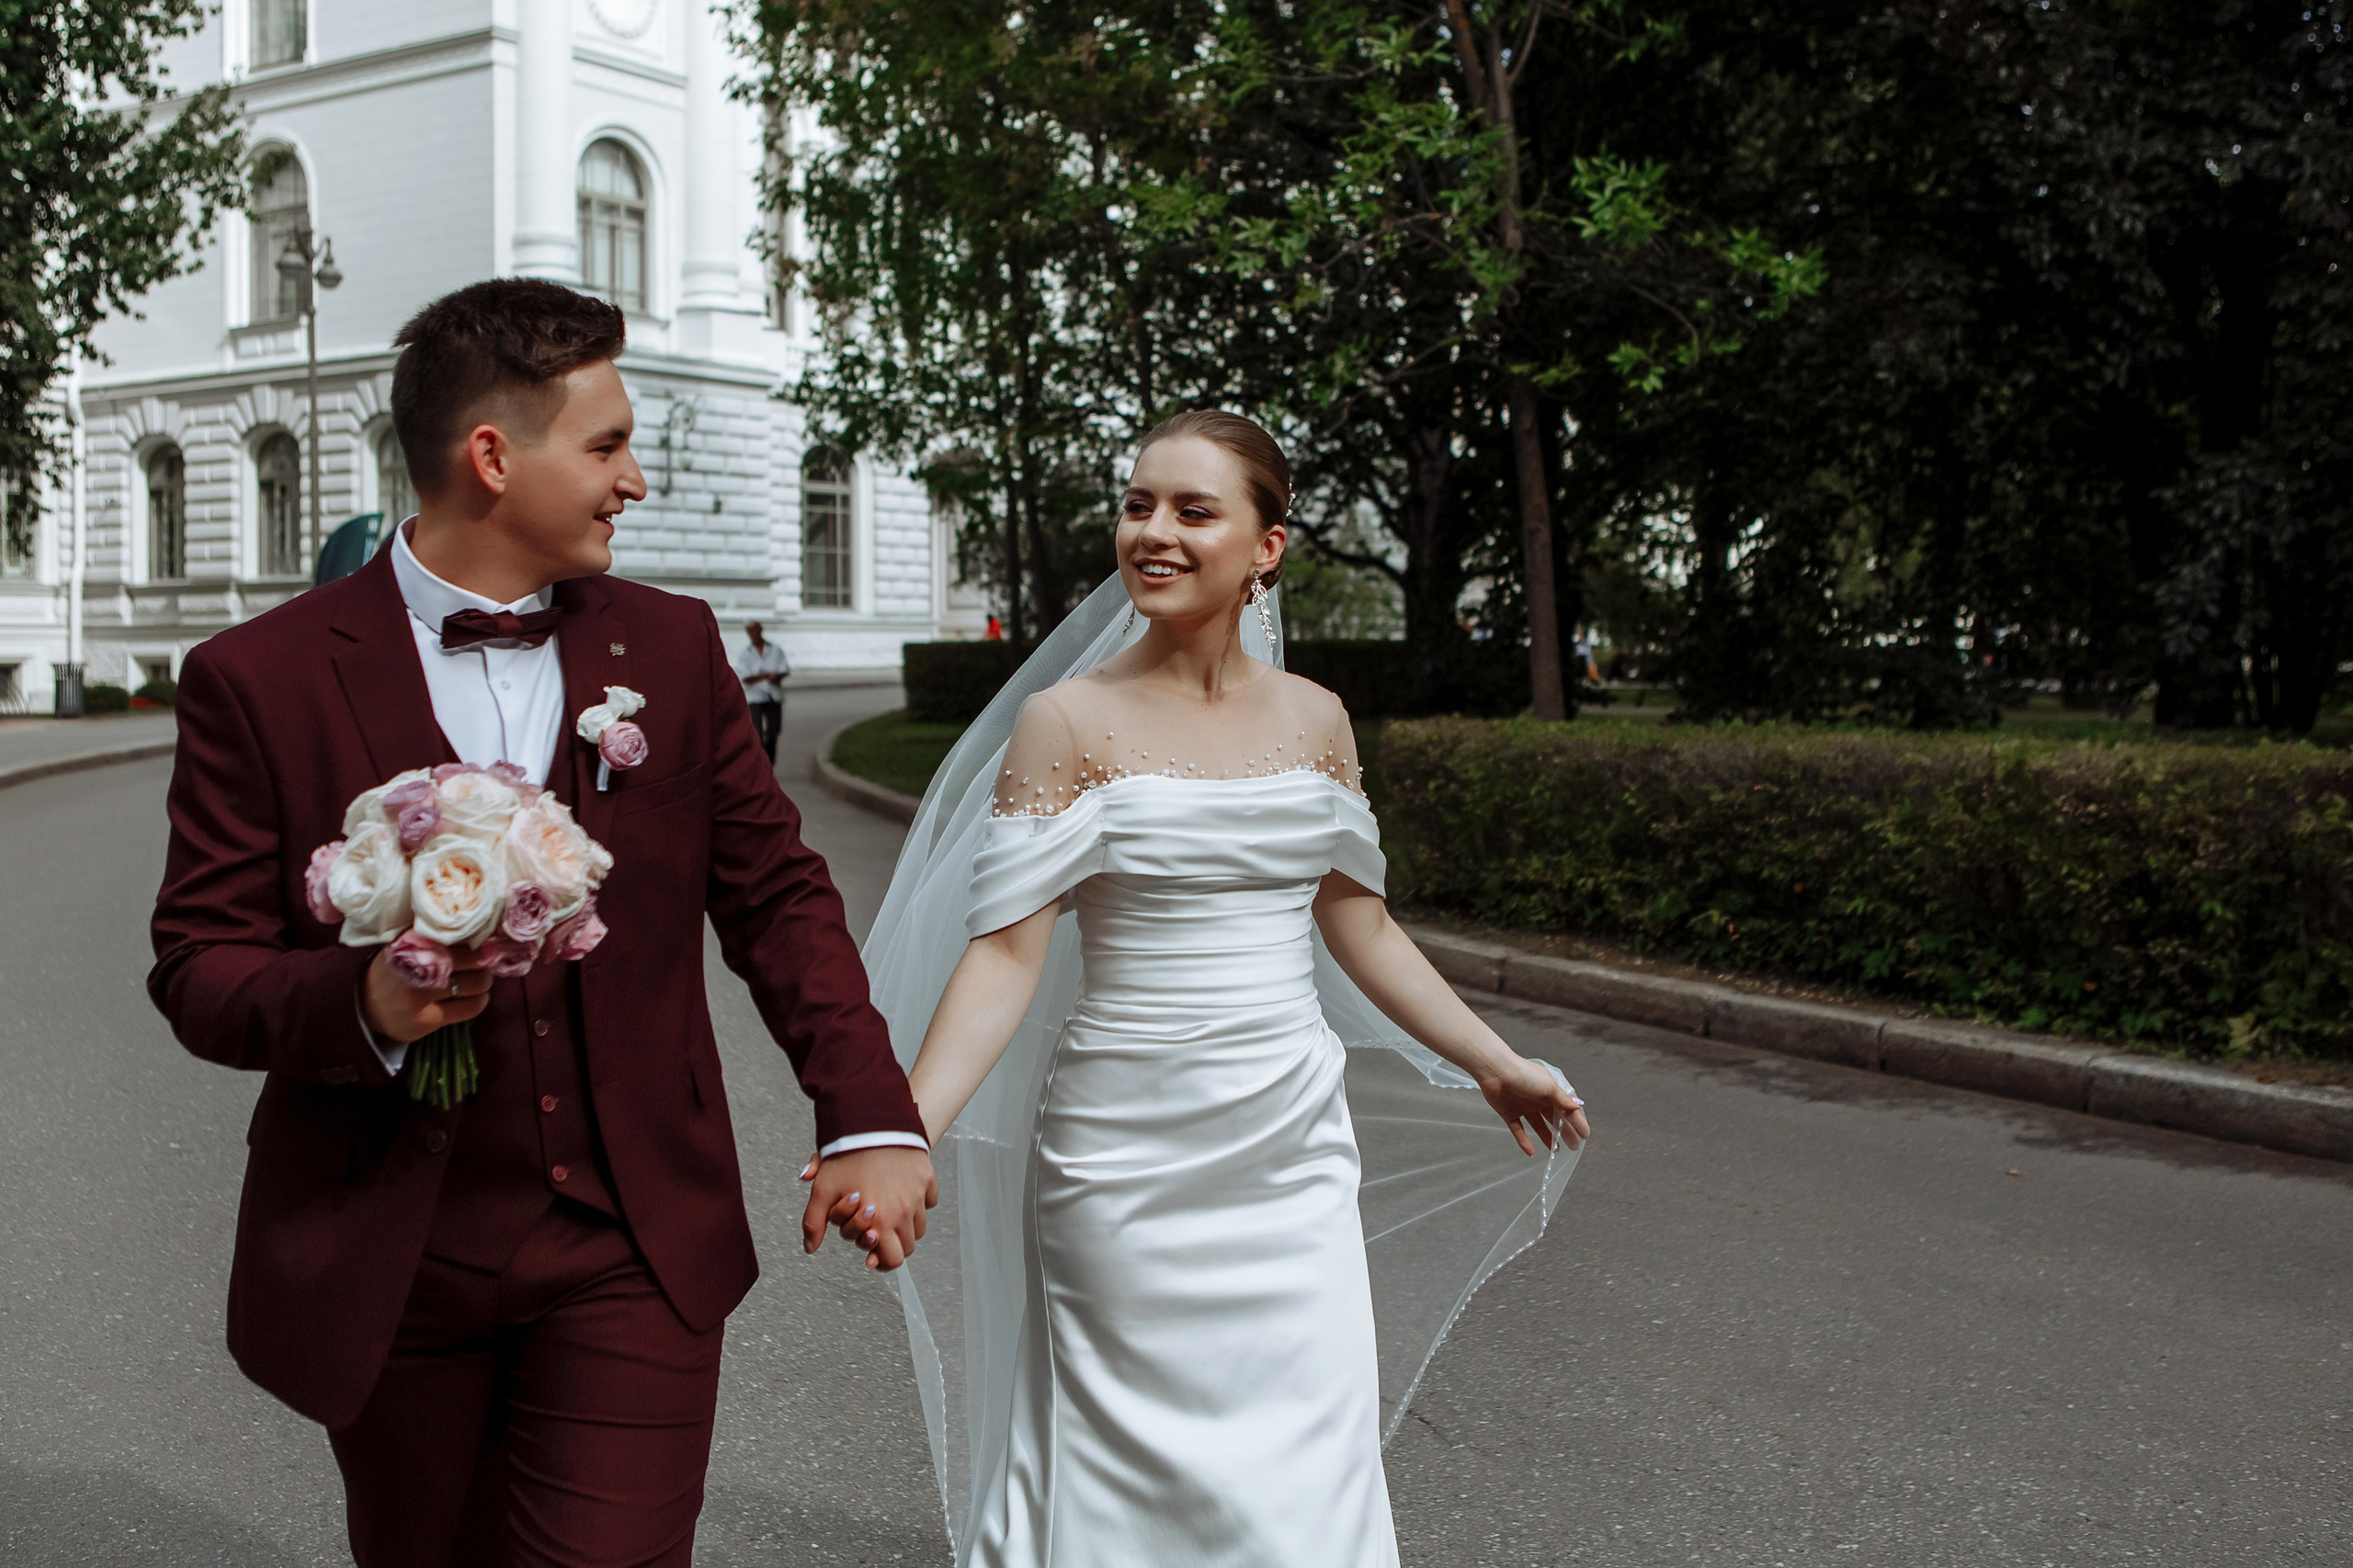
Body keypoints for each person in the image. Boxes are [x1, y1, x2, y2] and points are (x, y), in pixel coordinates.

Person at [147, 278, 934, 1567]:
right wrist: (363, 1006)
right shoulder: (260, 678)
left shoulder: (674, 649)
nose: (634, 482)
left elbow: (779, 897)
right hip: (393, 1255)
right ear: (494, 457)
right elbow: (199, 966)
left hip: (630, 1236)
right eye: (608, 445)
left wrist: (867, 1109)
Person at [858, 410, 1591, 1564]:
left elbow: (1361, 923)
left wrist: (1492, 1057)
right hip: (1121, 1149)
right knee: (1125, 1449)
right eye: (1138, 503)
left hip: (1290, 1142)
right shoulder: (1067, 721)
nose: (1152, 531)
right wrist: (900, 1131)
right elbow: (1004, 956)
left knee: (1307, 1443)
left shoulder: (1316, 720)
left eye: (1194, 510)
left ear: (1266, 548)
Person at [733, 619, 790, 764]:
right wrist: (766, 675)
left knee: (773, 732)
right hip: (755, 697)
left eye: (756, 630)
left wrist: (772, 676)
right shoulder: (745, 654)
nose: (754, 634)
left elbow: (783, 670)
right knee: (757, 732)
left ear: (761, 631)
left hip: (773, 696)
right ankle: (762, 763)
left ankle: (770, 762)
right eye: (751, 631)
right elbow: (745, 677)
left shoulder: (775, 650)